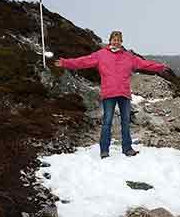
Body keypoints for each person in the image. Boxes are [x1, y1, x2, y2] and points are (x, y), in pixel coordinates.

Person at [54, 31, 170, 159]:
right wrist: (66, 63)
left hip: (124, 93)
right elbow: (83, 61)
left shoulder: (128, 56)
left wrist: (159, 67)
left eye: (119, 40)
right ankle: (104, 150)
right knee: (107, 122)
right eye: (114, 39)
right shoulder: (101, 55)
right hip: (109, 93)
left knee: (125, 121)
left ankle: (127, 148)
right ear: (110, 40)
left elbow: (144, 64)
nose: (116, 42)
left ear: (121, 42)